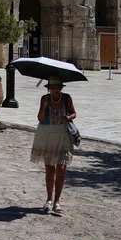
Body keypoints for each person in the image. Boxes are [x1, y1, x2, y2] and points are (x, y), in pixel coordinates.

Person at [31, 76, 76, 216]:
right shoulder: (45, 99)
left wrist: (68, 117)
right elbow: (39, 118)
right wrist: (44, 107)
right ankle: (49, 199)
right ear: (49, 89)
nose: (56, 90)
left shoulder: (67, 98)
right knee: (50, 169)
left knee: (61, 168)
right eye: (53, 88)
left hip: (63, 135)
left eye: (58, 88)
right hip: (47, 135)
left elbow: (74, 113)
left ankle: (57, 201)